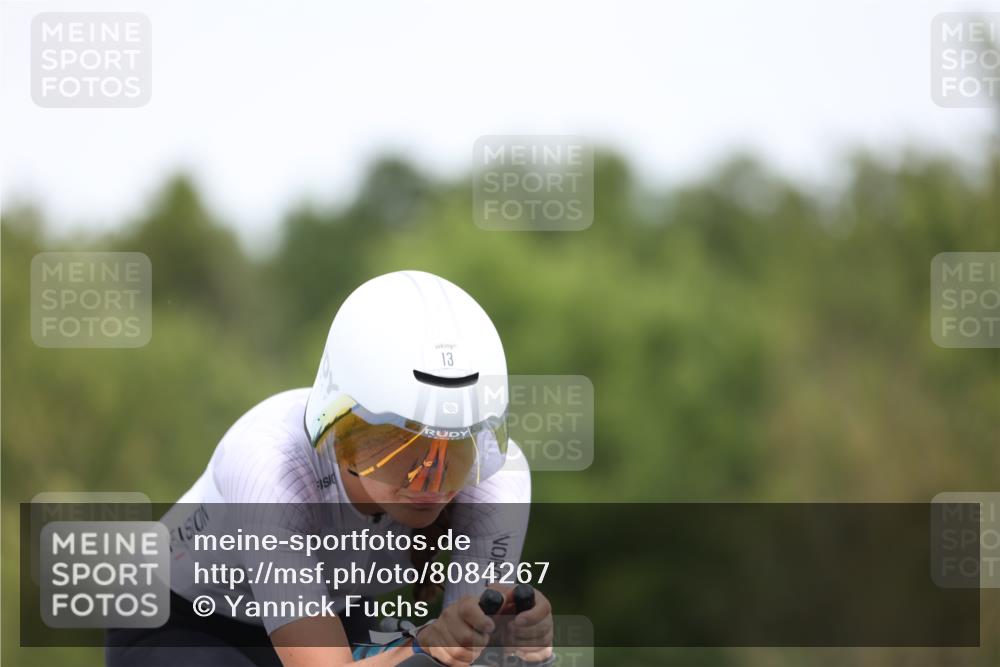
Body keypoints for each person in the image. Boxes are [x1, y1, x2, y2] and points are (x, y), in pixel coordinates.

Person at [105, 270, 553, 667]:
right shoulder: (270, 463)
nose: (430, 481)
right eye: (401, 444)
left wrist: (522, 653)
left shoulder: (498, 477)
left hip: (333, 608)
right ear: (341, 428)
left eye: (456, 448)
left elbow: (467, 662)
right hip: (181, 620)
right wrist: (420, 649)